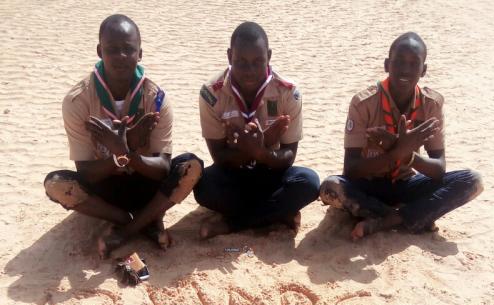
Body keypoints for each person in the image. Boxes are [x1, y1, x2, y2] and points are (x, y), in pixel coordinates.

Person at [44, 14, 203, 257]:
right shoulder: (78, 100)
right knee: (55, 184)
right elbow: (85, 171)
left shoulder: (156, 99)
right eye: (112, 49)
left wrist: (127, 152)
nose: (120, 57)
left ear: (140, 53)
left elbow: (162, 168)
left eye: (128, 49)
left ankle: (127, 230)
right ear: (100, 51)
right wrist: (119, 155)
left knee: (192, 166)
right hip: (105, 188)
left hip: (147, 183)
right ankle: (139, 220)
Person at [320, 32, 483, 240]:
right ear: (387, 65)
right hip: (370, 185)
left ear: (424, 70)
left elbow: (439, 169)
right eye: (399, 62)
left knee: (472, 180)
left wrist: (408, 157)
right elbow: (351, 170)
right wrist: (394, 152)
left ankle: (388, 220)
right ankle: (411, 215)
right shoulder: (363, 103)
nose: (405, 70)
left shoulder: (431, 105)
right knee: (330, 186)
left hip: (407, 184)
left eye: (414, 63)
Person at [193, 21, 320, 239]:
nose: (249, 71)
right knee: (203, 187)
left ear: (269, 56)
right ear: (229, 56)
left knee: (309, 182)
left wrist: (261, 152)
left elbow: (289, 156)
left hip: (272, 173)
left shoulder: (288, 93)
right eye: (241, 62)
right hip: (233, 174)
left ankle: (233, 224)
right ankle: (275, 214)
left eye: (257, 62)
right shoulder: (211, 93)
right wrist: (250, 149)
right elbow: (220, 157)